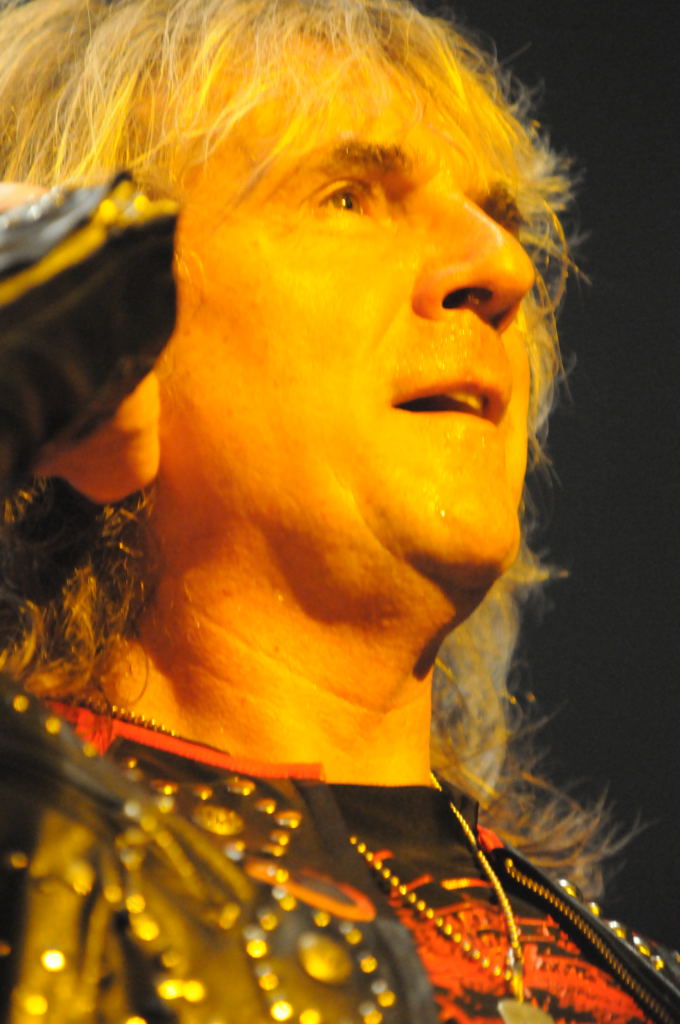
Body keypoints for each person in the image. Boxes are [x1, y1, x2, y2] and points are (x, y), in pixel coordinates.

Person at [0, 0, 677, 1021]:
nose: (501, 268)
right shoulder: (28, 853)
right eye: (349, 196)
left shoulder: (633, 975)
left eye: (498, 216)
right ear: (111, 309)